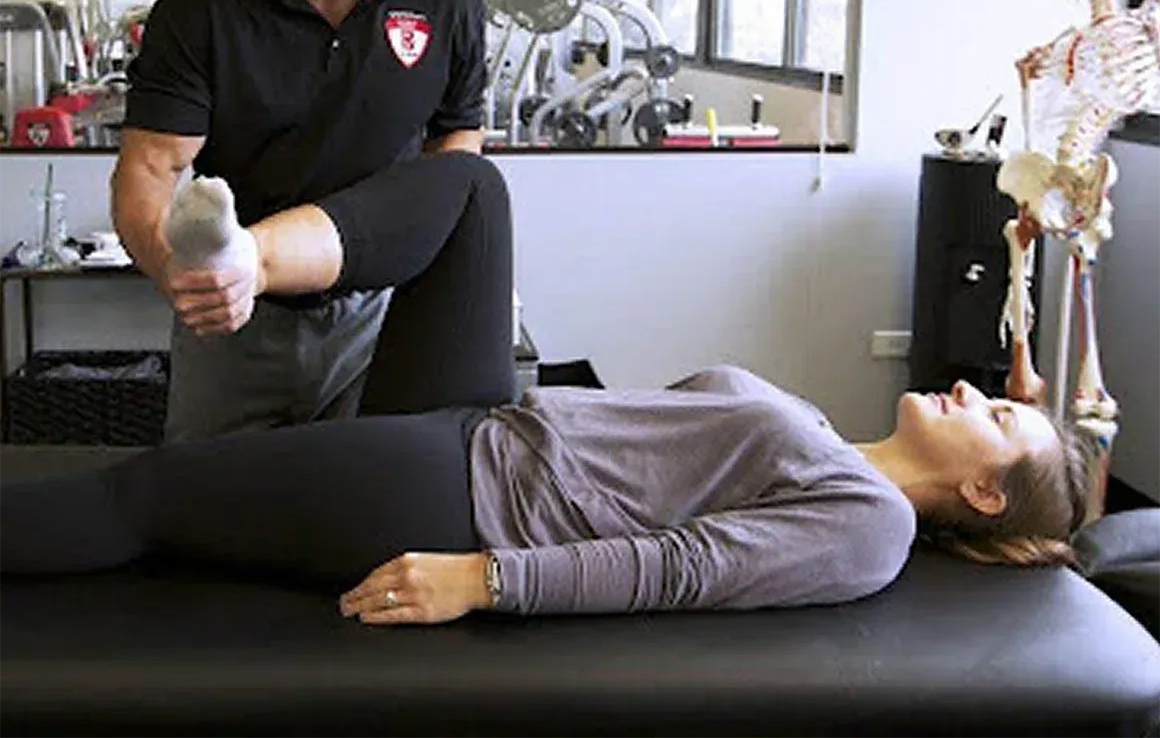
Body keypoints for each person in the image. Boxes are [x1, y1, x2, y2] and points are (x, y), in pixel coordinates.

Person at [0, 164, 1091, 625]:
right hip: (494, 423)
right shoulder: (829, 447)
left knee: (147, 494)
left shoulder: (866, 530)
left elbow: (680, 568)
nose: (968, 387)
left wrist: (483, 581)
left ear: (986, 496)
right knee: (473, 190)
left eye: (996, 417)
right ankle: (246, 253)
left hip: (465, 499)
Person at [110, 0, 489, 442]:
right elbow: (150, 165)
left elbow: (456, 148)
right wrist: (172, 265)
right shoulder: (207, 3)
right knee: (206, 518)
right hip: (238, 321)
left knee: (366, 525)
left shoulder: (447, 6)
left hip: (379, 321)